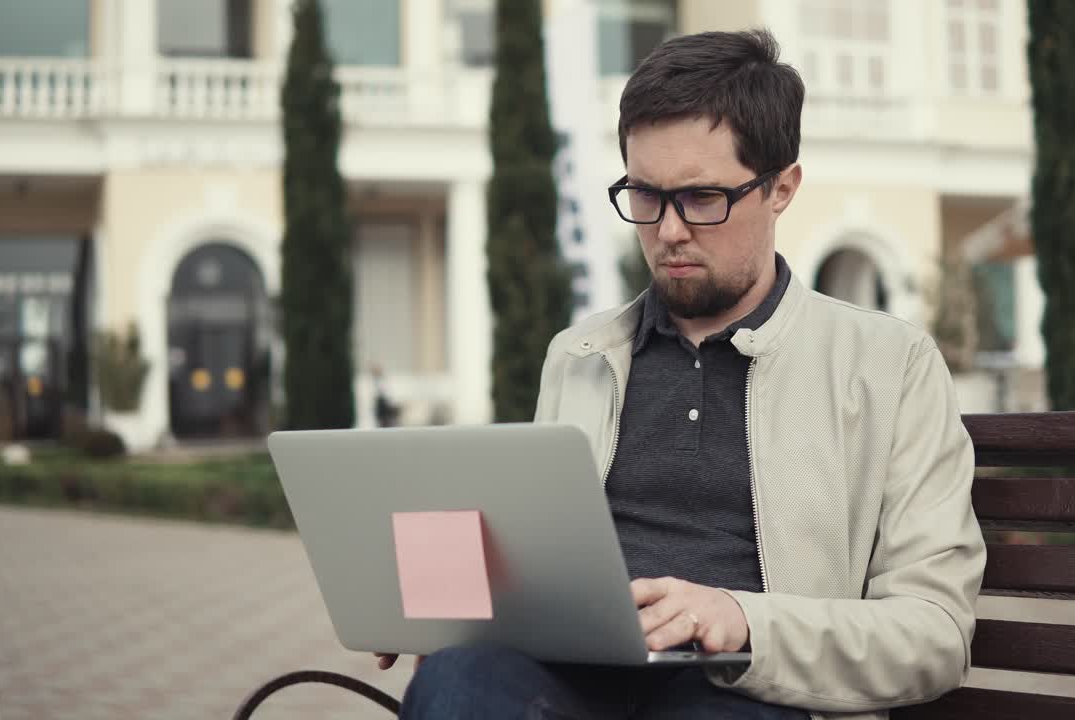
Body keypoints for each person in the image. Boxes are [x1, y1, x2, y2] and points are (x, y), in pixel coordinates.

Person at [377, 28, 986, 719]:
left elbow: (935, 633)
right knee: (459, 681)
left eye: (701, 199)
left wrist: (743, 620)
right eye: (645, 195)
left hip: (752, 693)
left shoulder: (889, 367)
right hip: (574, 679)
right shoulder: (578, 356)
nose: (667, 231)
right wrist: (452, 617)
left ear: (782, 187)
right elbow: (535, 562)